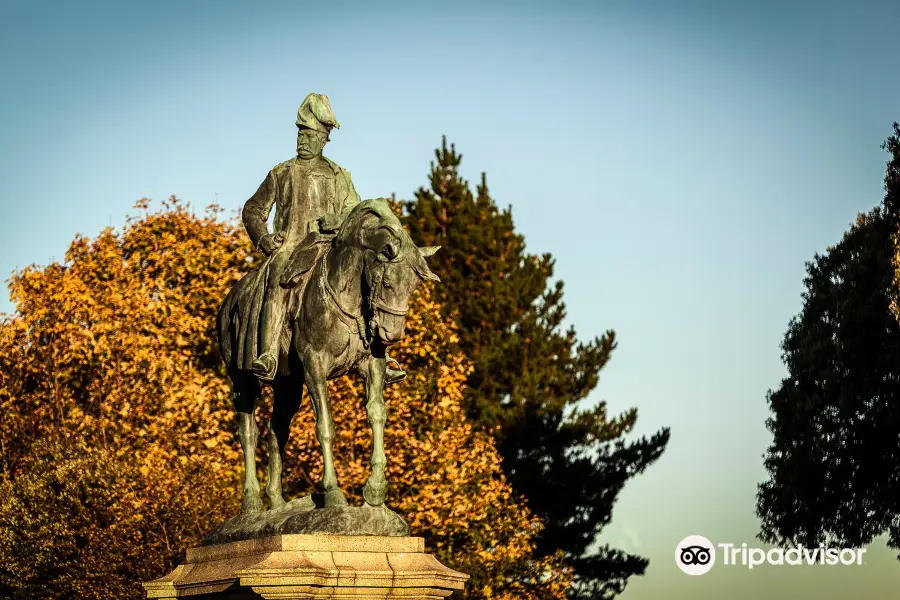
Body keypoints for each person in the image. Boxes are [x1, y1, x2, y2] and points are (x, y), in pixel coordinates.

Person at [240, 93, 405, 383]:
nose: (303, 139)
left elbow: (357, 217)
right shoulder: (281, 173)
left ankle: (378, 354)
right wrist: (264, 240)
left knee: (369, 273)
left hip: (329, 249)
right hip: (291, 248)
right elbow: (253, 209)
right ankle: (267, 353)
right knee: (278, 274)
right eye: (300, 132)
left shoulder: (339, 176)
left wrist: (339, 221)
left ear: (323, 138)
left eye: (310, 134)